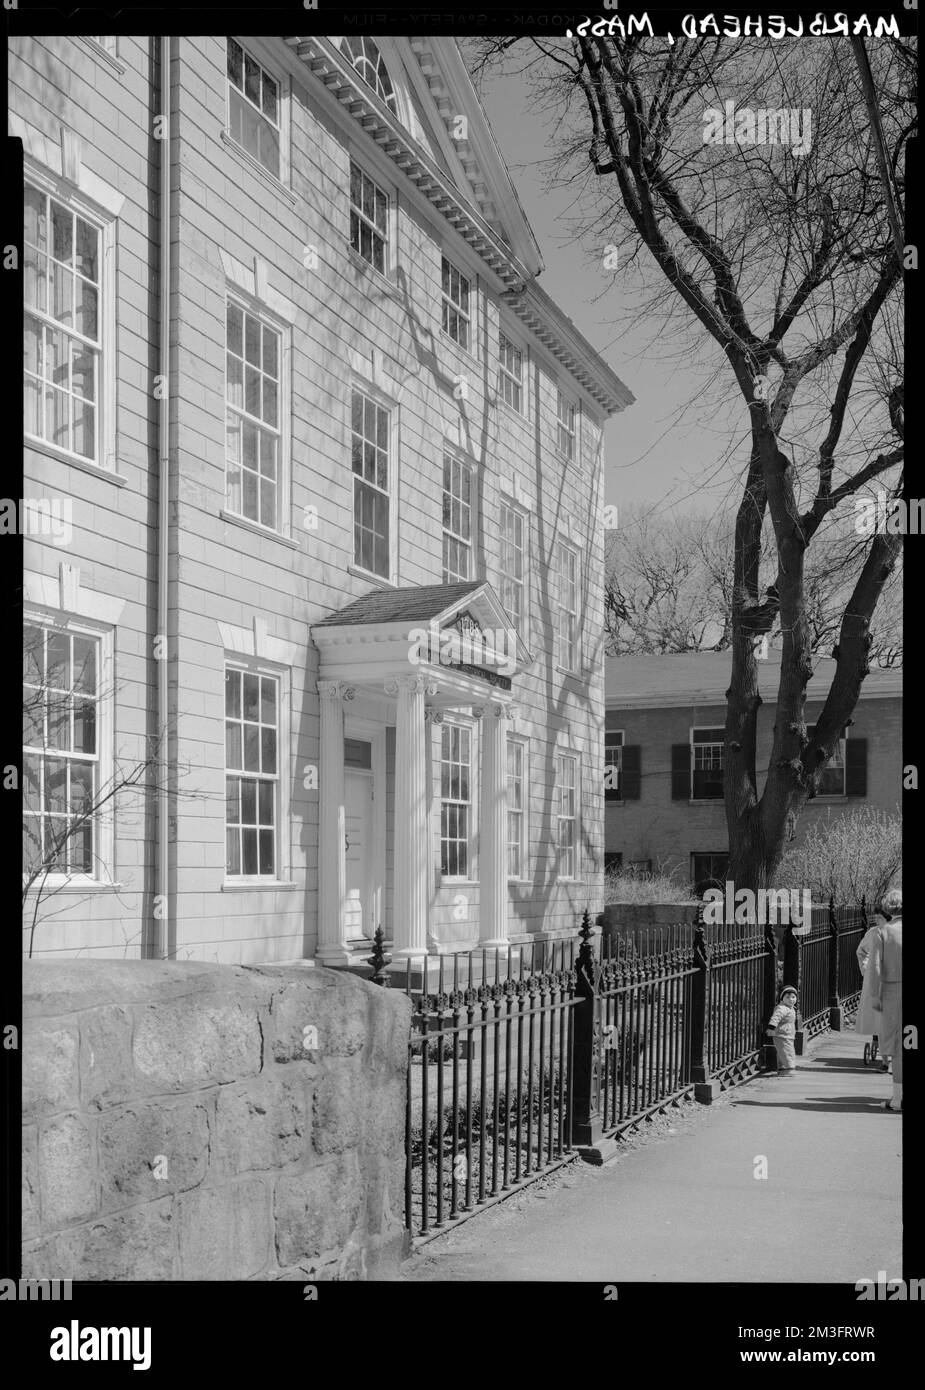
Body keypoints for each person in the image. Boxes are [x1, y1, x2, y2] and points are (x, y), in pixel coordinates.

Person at [868, 889, 903, 1112]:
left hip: (893, 995)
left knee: (900, 1047)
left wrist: (875, 995)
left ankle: (898, 1098)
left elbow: (876, 967)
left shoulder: (883, 933)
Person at [856, 913, 889, 1070]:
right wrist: (865, 969)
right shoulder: (873, 933)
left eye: (879, 917)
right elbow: (861, 951)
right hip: (876, 981)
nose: (876, 920)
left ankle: (887, 1058)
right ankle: (885, 1060)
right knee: (879, 1017)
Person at [766, 985, 798, 1075]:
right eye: (787, 997)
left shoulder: (790, 1008)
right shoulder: (782, 1008)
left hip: (786, 1034)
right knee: (787, 1051)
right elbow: (775, 1018)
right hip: (782, 1034)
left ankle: (782, 1069)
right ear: (782, 998)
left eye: (793, 997)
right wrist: (771, 1027)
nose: (791, 999)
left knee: (782, 1051)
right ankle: (789, 1068)